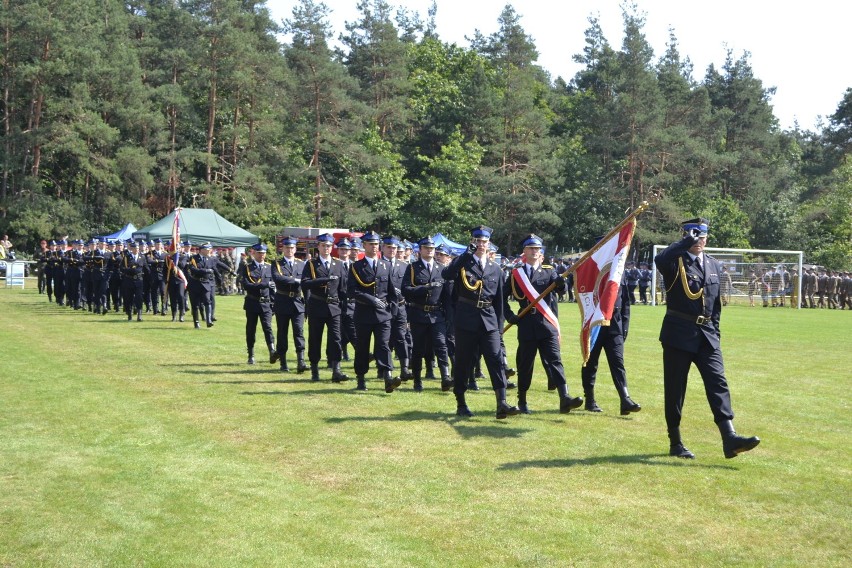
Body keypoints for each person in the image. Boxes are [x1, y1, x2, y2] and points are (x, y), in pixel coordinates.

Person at [655, 218, 760, 459]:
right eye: (694, 237)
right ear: (686, 237)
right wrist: (683, 243)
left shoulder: (712, 264)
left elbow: (715, 305)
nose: (698, 241)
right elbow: (659, 259)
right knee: (675, 390)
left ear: (707, 238)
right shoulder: (674, 263)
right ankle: (675, 442)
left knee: (718, 382)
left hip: (707, 336)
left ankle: (729, 438)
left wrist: (716, 334)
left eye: (702, 237)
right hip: (678, 335)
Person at [442, 226, 521, 419]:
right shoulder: (463, 264)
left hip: (489, 321)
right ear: (473, 241)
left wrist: (499, 325)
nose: (481, 245)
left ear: (489, 244)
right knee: (463, 362)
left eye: (484, 242)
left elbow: (499, 300)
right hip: (466, 319)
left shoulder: (495, 268)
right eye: (477, 241)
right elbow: (446, 275)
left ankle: (501, 403)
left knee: (495, 359)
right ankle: (461, 402)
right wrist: (464, 256)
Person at [503, 234, 583, 414]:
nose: (534, 251)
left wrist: (561, 284)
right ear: (524, 251)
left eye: (537, 249)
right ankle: (522, 400)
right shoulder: (516, 274)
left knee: (555, 361)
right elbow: (501, 298)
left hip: (547, 324)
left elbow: (561, 291)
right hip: (527, 325)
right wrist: (509, 316)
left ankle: (565, 397)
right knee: (525, 364)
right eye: (531, 248)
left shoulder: (549, 270)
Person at [580, 268, 641, 415]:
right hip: (596, 324)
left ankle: (625, 399)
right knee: (590, 362)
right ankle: (590, 400)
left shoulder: (620, 270)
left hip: (615, 325)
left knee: (618, 363)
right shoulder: (595, 267)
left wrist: (624, 327)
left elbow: (625, 301)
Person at [347, 231, 402, 393]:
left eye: (376, 244)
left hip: (383, 315)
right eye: (371, 244)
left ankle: (388, 377)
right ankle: (361, 378)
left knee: (383, 345)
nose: (374, 246)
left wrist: (392, 310)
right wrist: (371, 300)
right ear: (364, 246)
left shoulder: (386, 266)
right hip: (364, 314)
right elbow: (352, 291)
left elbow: (392, 291)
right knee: (363, 347)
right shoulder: (356, 267)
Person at [402, 236, 452, 392]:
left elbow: (446, 295)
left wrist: (449, 316)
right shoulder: (412, 268)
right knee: (418, 349)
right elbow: (406, 290)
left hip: (437, 314)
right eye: (427, 248)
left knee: (441, 346)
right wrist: (426, 287)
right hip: (419, 313)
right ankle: (417, 380)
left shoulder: (441, 268)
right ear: (420, 250)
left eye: (432, 248)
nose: (430, 251)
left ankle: (445, 378)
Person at [301, 233, 349, 382]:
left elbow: (343, 289)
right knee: (315, 338)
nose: (326, 248)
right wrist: (323, 280)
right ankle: (315, 370)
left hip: (334, 306)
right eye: (323, 246)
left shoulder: (339, 264)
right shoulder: (311, 264)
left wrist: (345, 306)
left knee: (336, 339)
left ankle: (336, 370)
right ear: (318, 247)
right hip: (317, 304)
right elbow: (305, 283)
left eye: (329, 246)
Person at [270, 236, 307, 372]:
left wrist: (307, 304)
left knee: (299, 332)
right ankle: (283, 363)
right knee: (282, 333)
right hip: (283, 301)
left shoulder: (301, 264)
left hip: (297, 302)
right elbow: (278, 278)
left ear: (295, 249)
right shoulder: (277, 264)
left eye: (292, 248)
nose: (289, 250)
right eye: (287, 248)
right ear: (283, 249)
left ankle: (301, 362)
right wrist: (296, 281)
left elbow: (306, 282)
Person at [239, 243, 277, 365]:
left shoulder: (269, 267)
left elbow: (273, 288)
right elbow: (246, 285)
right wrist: (264, 285)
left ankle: (272, 351)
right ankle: (251, 354)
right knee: (251, 329)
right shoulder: (247, 267)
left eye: (263, 253)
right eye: (259, 253)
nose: (262, 255)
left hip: (266, 303)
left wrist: (274, 303)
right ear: (253, 253)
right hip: (252, 302)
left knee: (268, 328)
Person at [186, 242, 230, 328]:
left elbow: (216, 268)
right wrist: (205, 271)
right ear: (202, 250)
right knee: (195, 304)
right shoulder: (193, 258)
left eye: (210, 249)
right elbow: (192, 269)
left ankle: (209, 320)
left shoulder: (209, 259)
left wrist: (222, 276)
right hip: (195, 283)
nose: (209, 251)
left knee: (207, 301)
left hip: (206, 283)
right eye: (207, 249)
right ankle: (196, 322)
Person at [120, 240, 147, 321]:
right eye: (135, 248)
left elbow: (145, 268)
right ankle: (130, 314)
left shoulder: (142, 257)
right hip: (129, 280)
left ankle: (139, 315)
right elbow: (122, 268)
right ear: (132, 249)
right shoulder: (126, 257)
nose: (137, 249)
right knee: (129, 298)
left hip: (139, 280)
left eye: (138, 248)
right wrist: (130, 270)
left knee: (139, 297)